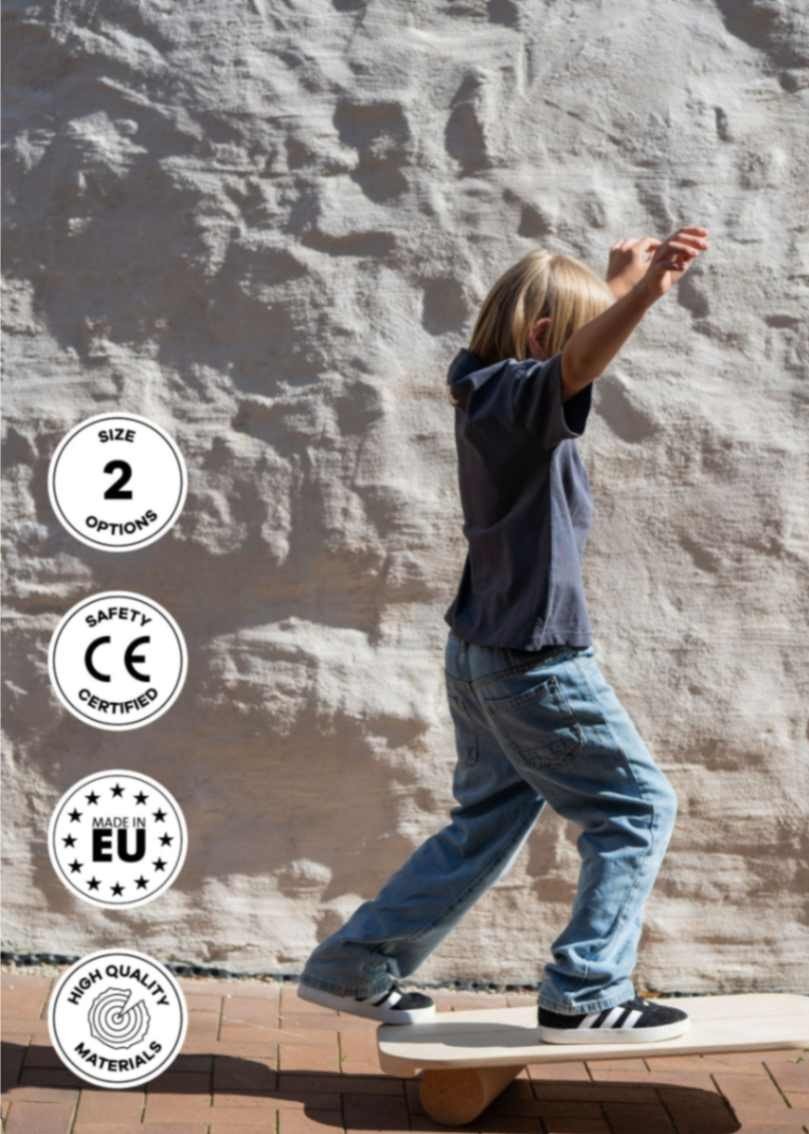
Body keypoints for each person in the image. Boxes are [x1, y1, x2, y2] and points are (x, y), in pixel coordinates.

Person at [298, 226, 711, 1043]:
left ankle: (353, 965)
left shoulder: (485, 391)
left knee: (484, 823)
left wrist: (609, 284)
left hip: (481, 651)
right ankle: (585, 990)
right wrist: (640, 296)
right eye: (580, 344)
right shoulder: (517, 400)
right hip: (533, 661)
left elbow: (572, 353)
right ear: (541, 340)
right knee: (636, 808)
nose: (595, 370)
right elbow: (576, 363)